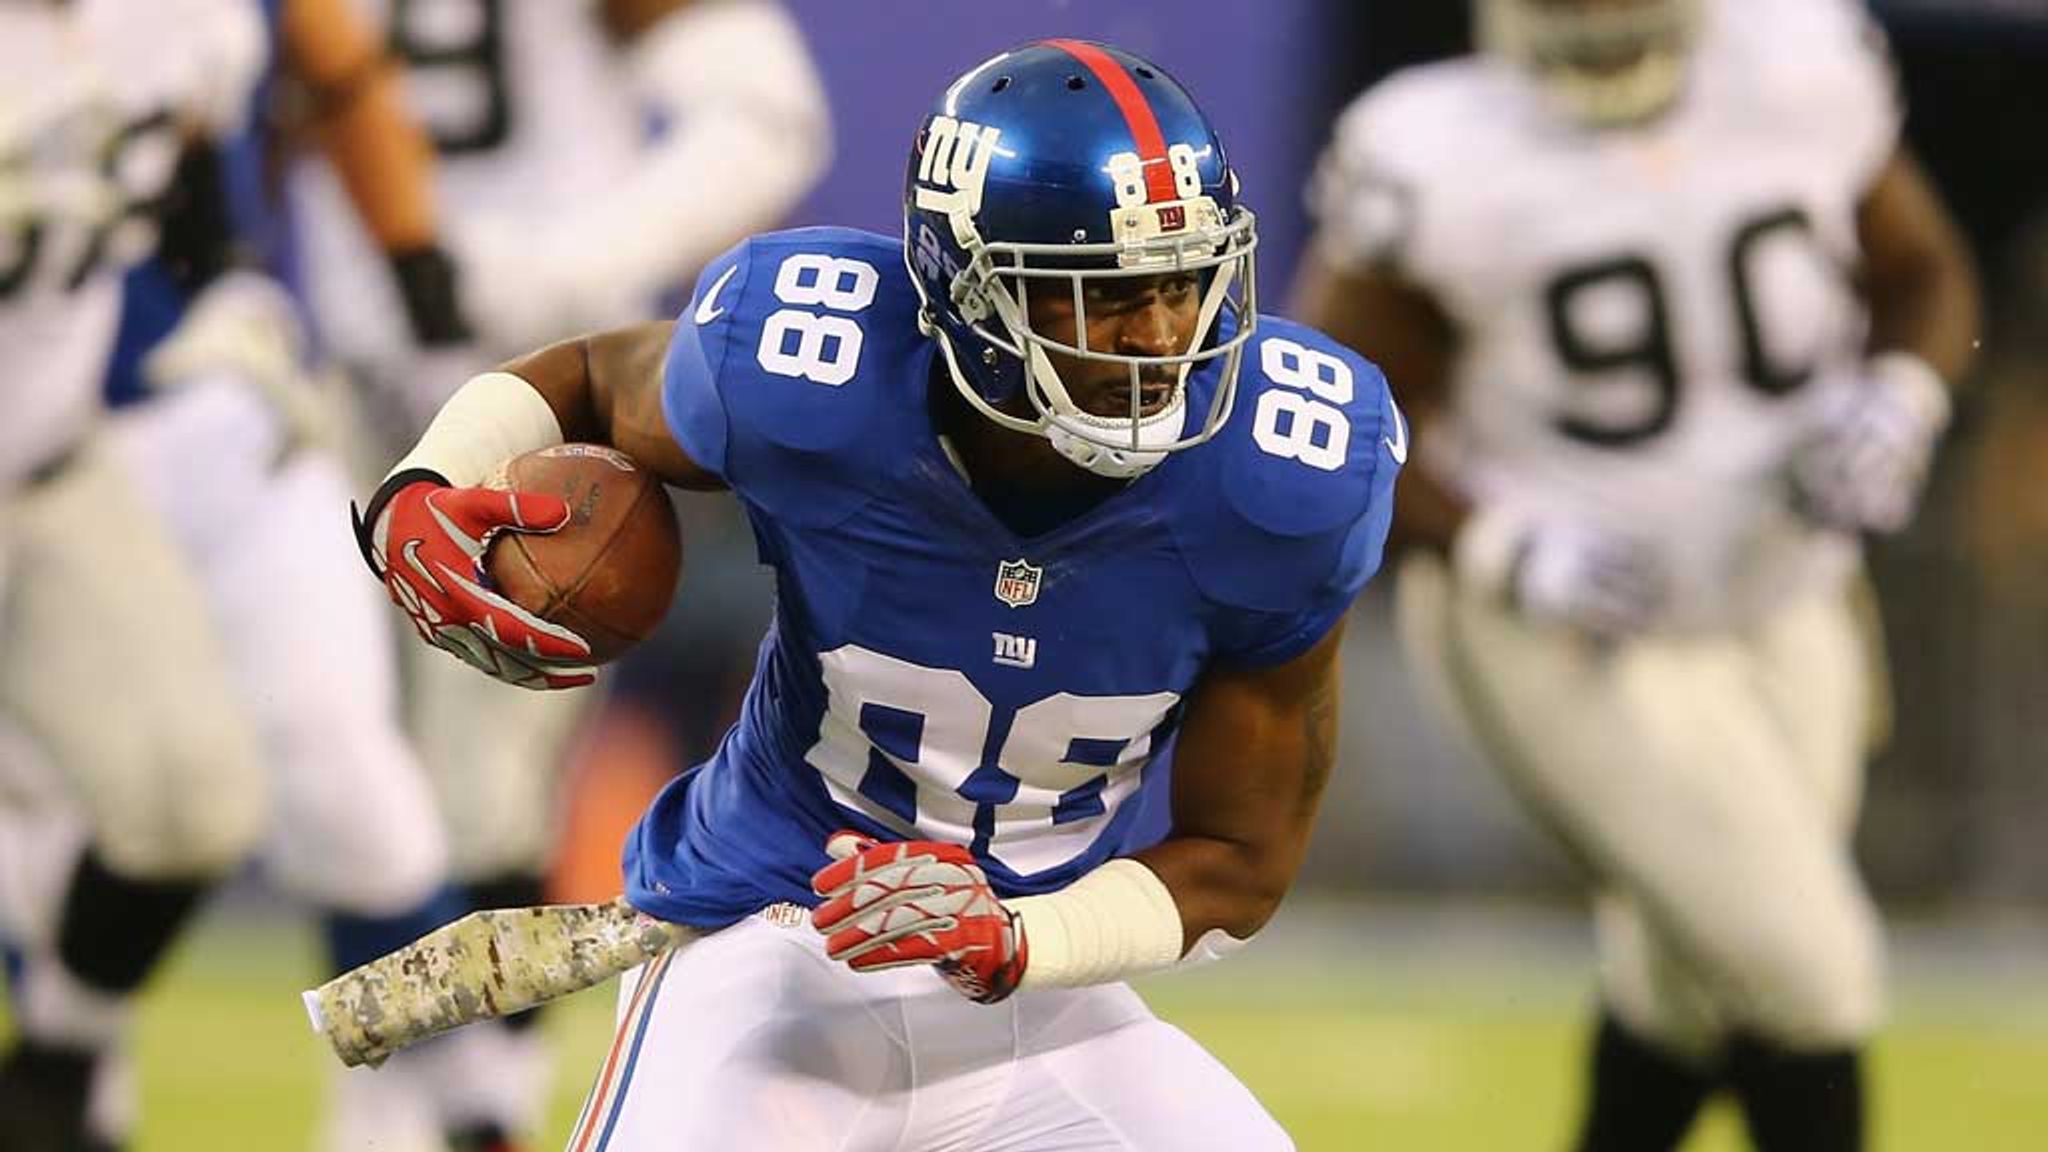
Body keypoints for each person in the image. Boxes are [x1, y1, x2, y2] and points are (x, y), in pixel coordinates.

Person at [352, 39, 1400, 1149]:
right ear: (969, 294)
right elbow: (593, 381)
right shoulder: (817, 371)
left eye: (1185, 284)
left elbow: (1238, 862)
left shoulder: (1284, 481)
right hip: (765, 948)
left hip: (1036, 992)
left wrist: (1015, 938)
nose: (1158, 340)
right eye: (1104, 298)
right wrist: (423, 482)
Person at [1292, 2, 1979, 1150]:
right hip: (1566, 631)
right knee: (1808, 968)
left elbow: (1918, 272)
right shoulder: (1434, 148)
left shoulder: (1798, 62)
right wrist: (1493, 542)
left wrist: (1901, 397)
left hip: (1787, 591)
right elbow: (1334, 412)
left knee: (1686, 982)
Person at [291, 2, 830, 1144]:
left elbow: (767, 117)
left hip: (531, 405)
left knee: (478, 804)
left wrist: (562, 268)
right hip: (353, 382)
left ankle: (468, 1110)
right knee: (333, 776)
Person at [0, 3, 272, 1150]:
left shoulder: (191, 22)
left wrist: (228, 298)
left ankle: (57, 1070)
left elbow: (193, 173)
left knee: (192, 797)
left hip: (52, 467)